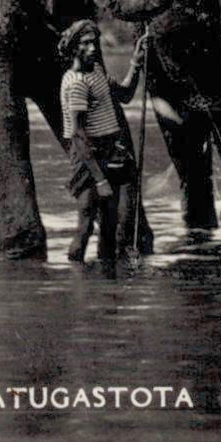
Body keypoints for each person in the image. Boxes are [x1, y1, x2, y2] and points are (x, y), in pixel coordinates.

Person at [58, 20, 151, 263]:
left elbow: (125, 95)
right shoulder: (76, 83)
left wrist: (136, 62)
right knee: (86, 224)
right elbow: (78, 135)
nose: (92, 48)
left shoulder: (97, 72)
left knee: (110, 225)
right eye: (85, 44)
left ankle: (105, 283)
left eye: (94, 43)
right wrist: (99, 179)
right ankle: (75, 277)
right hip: (89, 157)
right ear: (74, 48)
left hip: (110, 152)